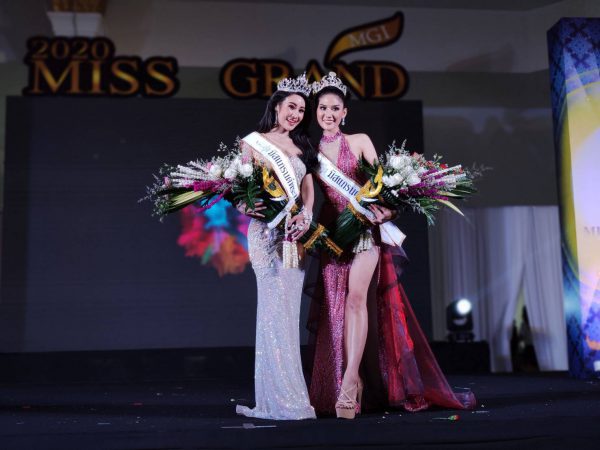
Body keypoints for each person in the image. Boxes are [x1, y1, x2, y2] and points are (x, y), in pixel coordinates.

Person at [307, 72, 475, 419]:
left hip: (364, 229)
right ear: (316, 111)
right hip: (334, 234)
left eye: (335, 108)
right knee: (334, 311)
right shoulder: (310, 152)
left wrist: (389, 210)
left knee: (356, 300)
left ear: (344, 112)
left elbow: (382, 188)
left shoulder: (359, 141)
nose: (328, 113)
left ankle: (350, 381)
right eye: (322, 107)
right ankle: (349, 379)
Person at [234, 74, 317, 420]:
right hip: (265, 235)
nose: (296, 114)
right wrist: (243, 204)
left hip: (294, 234)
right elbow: (240, 188)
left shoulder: (303, 146)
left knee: (290, 312)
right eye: (291, 107)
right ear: (277, 106)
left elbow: (308, 189)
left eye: (301, 110)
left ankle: (293, 395)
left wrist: (307, 214)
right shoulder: (252, 143)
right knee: (271, 311)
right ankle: (274, 399)